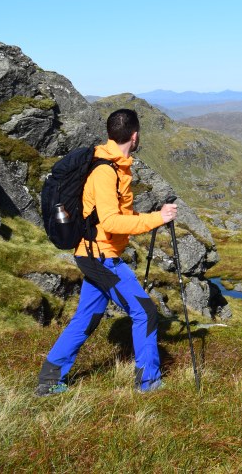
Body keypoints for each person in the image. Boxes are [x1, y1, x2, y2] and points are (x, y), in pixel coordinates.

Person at [35, 108, 178, 396]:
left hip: (97, 253)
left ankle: (49, 380)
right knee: (145, 312)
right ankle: (149, 384)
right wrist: (157, 220)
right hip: (99, 256)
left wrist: (149, 215)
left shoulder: (116, 166)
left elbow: (111, 215)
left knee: (87, 317)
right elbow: (111, 221)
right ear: (134, 136)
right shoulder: (105, 171)